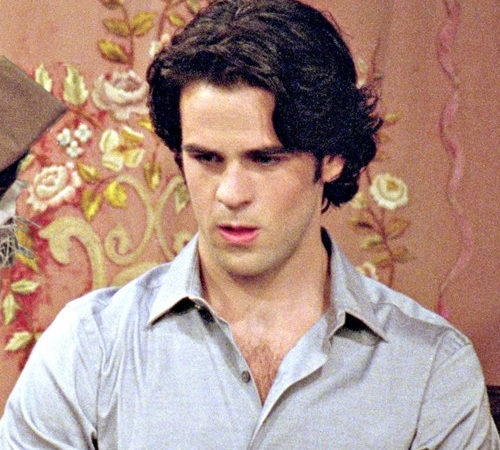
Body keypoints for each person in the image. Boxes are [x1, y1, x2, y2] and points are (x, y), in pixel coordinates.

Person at [1, 0, 498, 447]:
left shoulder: (431, 370)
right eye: (207, 158)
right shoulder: (88, 348)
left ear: (332, 159)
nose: (230, 193)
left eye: (265, 159)